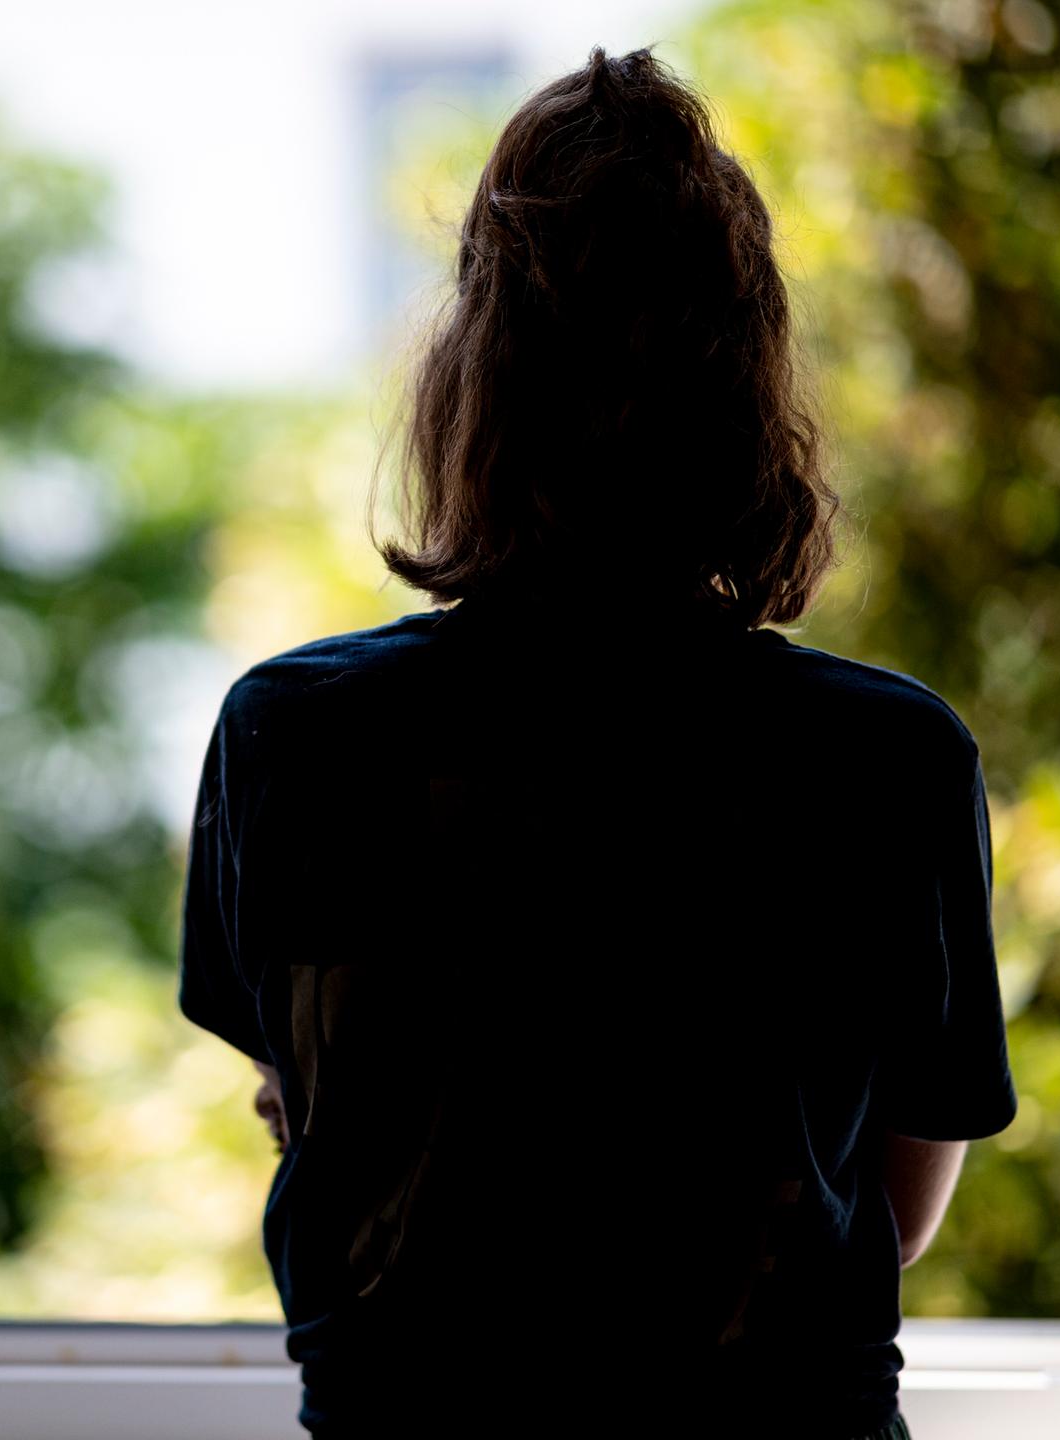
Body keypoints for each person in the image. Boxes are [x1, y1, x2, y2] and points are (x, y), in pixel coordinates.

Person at [176, 45, 1017, 1440]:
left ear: (469, 385)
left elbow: (324, 1115)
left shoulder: (295, 735)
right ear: (751, 394)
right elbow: (891, 1209)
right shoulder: (889, 759)